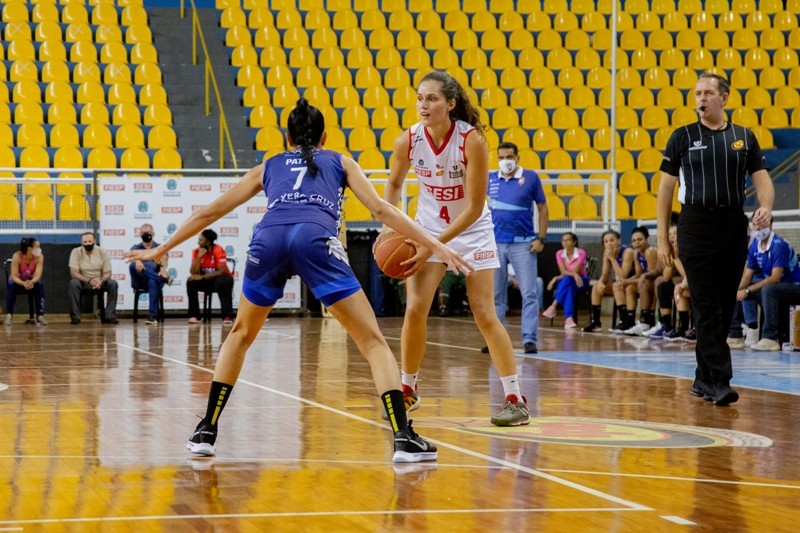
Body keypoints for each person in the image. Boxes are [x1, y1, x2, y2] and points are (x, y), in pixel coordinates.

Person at [125, 98, 472, 462]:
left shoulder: (269, 165)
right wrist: (436, 244)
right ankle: (403, 437)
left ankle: (206, 430)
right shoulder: (339, 161)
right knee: (372, 341)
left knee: (240, 334)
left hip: (269, 239)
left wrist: (159, 249)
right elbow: (381, 210)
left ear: (286, 137)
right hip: (314, 238)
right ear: (324, 136)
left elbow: (211, 211)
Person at [383, 70, 530, 427]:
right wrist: (392, 227)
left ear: (450, 104)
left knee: (484, 312)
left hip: (471, 230)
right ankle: (407, 389)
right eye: (419, 98)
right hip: (427, 229)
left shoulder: (472, 140)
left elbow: (476, 208)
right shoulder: (408, 141)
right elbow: (393, 187)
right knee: (416, 308)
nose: (423, 105)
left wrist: (436, 244)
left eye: (431, 99)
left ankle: (515, 398)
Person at [657, 71, 774, 406]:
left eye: (708, 93)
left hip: (732, 224)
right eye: (696, 94)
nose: (701, 99)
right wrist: (664, 238)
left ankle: (702, 378)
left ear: (724, 98)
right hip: (695, 223)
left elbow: (763, 179)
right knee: (707, 303)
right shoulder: (681, 137)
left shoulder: (743, 137)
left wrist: (765, 207)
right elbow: (665, 191)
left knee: (723, 304)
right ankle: (719, 380)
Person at [486, 141, 549, 353]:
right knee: (495, 295)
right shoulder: (490, 179)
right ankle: (497, 341)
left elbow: (543, 207)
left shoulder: (530, 177)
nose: (506, 161)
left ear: (517, 157)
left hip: (523, 244)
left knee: (530, 293)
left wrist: (541, 237)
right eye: (502, 157)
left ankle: (529, 339)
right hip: (495, 243)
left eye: (509, 157)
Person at [729, 216, 800, 351]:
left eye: (762, 225)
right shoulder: (754, 247)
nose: (759, 228)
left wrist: (748, 290)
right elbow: (748, 276)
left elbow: (775, 278)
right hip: (774, 288)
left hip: (794, 286)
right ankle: (735, 335)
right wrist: (736, 290)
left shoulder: (779, 245)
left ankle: (770, 337)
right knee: (737, 290)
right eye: (756, 225)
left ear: (771, 225)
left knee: (768, 289)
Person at [582, 230, 634, 332]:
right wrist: (601, 282)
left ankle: (624, 321)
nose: (609, 243)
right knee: (597, 285)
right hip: (619, 284)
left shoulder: (627, 252)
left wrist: (612, 258)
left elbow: (623, 276)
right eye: (606, 241)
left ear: (619, 241)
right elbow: (605, 275)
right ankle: (596, 322)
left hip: (631, 284)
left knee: (616, 285)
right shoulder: (607, 253)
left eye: (612, 240)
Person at [186, 229, 235, 325]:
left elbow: (221, 271)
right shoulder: (196, 251)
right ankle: (194, 315)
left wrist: (203, 277)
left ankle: (227, 316)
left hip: (221, 278)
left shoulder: (218, 250)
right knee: (191, 282)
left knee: (222, 282)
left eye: (201, 240)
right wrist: (199, 257)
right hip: (207, 281)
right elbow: (193, 272)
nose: (198, 242)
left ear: (208, 242)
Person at [68, 232, 118, 325]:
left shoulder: (102, 251)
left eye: (90, 241)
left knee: (113, 284)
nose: (87, 244)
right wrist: (89, 281)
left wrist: (100, 281)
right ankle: (75, 317)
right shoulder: (76, 252)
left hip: (100, 281)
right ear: (81, 243)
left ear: (94, 241)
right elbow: (74, 273)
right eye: (85, 242)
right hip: (84, 282)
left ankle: (110, 315)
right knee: (73, 283)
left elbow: (108, 273)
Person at [619, 226, 661, 335]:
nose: (636, 243)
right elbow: (638, 275)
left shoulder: (650, 251)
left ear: (646, 240)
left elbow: (651, 276)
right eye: (634, 241)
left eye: (639, 240)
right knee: (630, 288)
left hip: (655, 281)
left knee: (644, 284)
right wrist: (627, 281)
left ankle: (646, 321)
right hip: (645, 280)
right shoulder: (636, 253)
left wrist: (628, 281)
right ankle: (630, 321)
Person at [542, 232, 588, 329]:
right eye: (563, 240)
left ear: (574, 242)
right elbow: (563, 271)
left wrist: (557, 277)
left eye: (568, 240)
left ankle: (553, 306)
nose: (565, 242)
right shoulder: (559, 253)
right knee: (568, 288)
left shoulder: (581, 253)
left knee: (567, 280)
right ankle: (568, 318)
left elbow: (575, 271)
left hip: (581, 281)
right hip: (568, 281)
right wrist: (564, 275)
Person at [130, 223, 172, 325]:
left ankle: (152, 316)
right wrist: (138, 261)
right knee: (133, 265)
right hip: (140, 280)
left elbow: (164, 259)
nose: (146, 234)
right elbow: (134, 258)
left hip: (152, 280)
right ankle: (162, 278)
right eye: (144, 232)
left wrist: (162, 268)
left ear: (153, 233)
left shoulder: (160, 247)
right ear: (140, 234)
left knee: (152, 280)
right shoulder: (136, 247)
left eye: (148, 232)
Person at [5, 237, 47, 325]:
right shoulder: (17, 256)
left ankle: (40, 316)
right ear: (30, 249)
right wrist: (23, 283)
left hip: (31, 282)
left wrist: (31, 282)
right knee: (11, 285)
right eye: (37, 247)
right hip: (18, 282)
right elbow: (14, 276)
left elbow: (38, 275)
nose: (40, 249)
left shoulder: (40, 257)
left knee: (40, 285)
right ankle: (9, 316)